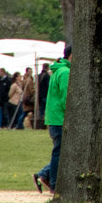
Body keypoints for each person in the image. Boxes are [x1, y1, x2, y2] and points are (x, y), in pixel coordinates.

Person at [34, 45, 70, 193]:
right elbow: (66, 97)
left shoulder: (58, 70)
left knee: (60, 151)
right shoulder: (65, 72)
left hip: (54, 117)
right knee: (60, 152)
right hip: (60, 118)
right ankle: (53, 182)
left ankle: (45, 175)